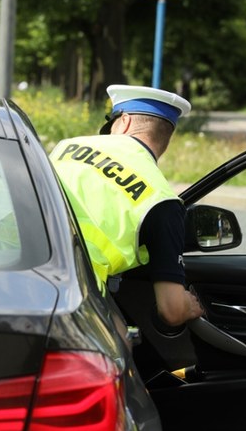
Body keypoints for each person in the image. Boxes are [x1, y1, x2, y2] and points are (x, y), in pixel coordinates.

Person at [49, 84, 204, 328]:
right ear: (166, 137)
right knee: (121, 337)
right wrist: (188, 305)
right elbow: (171, 311)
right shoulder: (162, 200)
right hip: (66, 293)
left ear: (124, 122)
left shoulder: (65, 147)